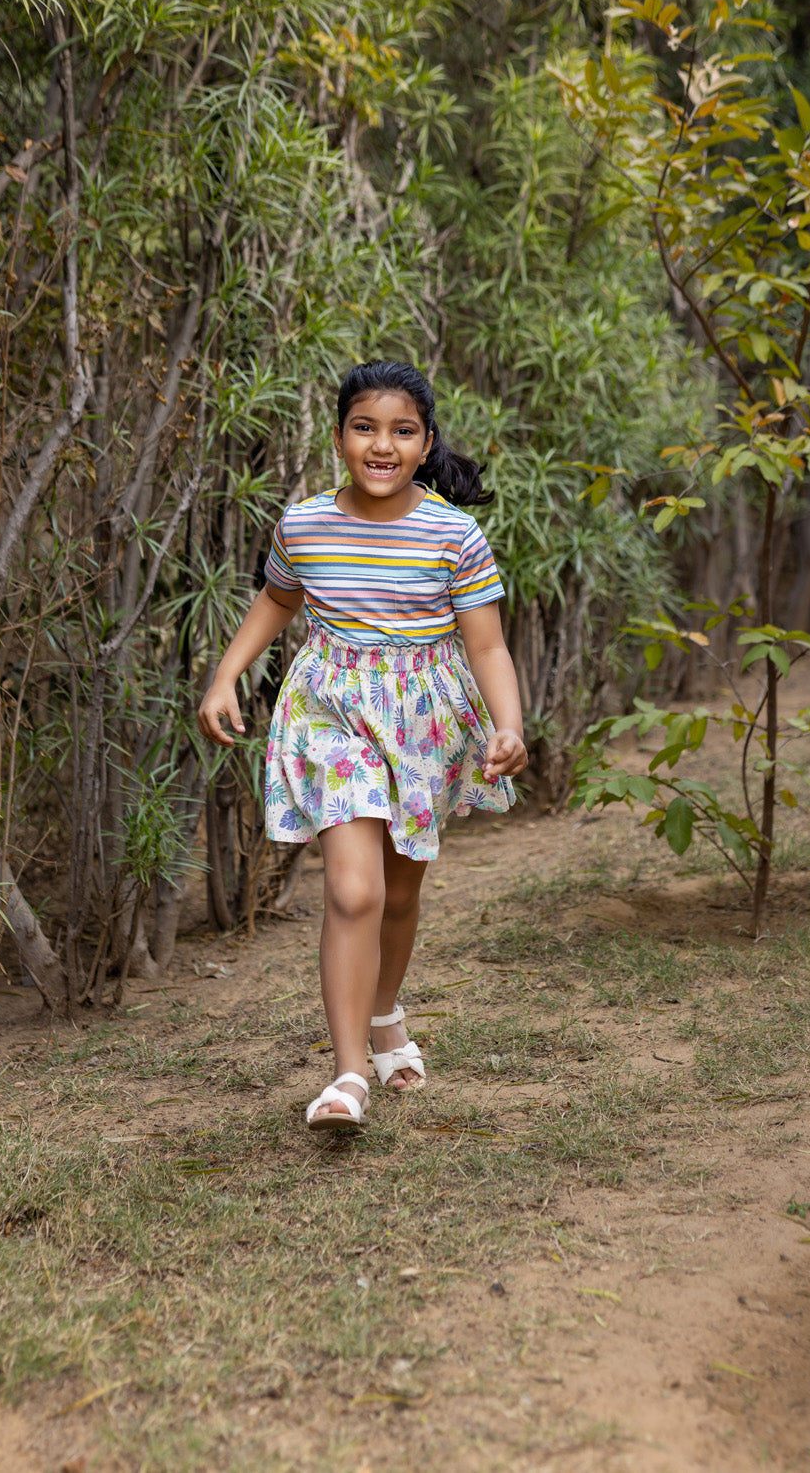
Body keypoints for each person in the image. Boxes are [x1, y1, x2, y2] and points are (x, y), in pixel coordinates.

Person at [197, 360, 527, 1132]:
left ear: (425, 444)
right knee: (354, 891)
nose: (382, 444)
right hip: (332, 712)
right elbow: (277, 601)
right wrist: (224, 678)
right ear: (341, 435)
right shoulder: (305, 524)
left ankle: (385, 1011)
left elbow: (488, 648)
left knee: (401, 892)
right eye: (365, 427)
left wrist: (506, 723)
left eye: (402, 431)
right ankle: (347, 1077)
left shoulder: (454, 533)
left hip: (422, 721)